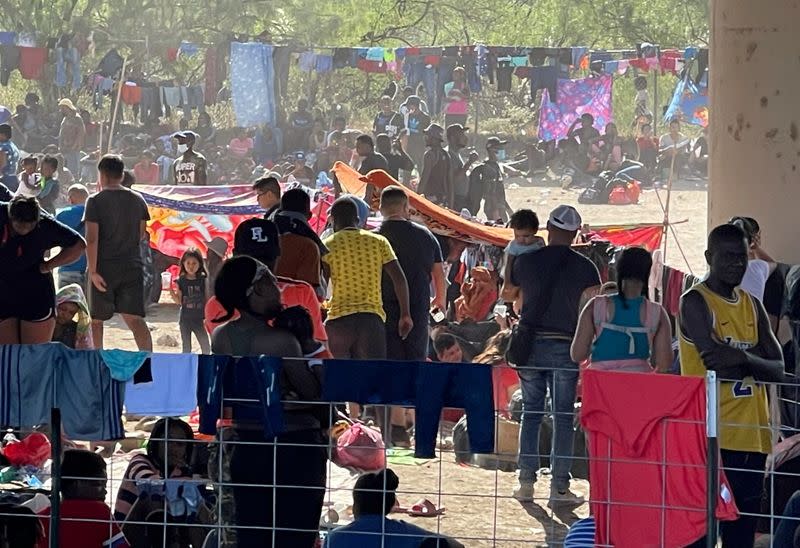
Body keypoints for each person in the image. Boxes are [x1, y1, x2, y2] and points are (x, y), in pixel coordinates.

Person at [211, 256, 327, 548]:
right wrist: (310, 344)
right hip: (294, 447)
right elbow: (314, 394)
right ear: (255, 291)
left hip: (247, 444)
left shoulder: (220, 336)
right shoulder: (282, 342)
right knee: (295, 535)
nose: (278, 289)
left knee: (253, 534)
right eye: (270, 282)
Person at [681, 223, 784, 548]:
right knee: (701, 532)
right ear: (709, 257)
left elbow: (779, 368)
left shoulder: (752, 305)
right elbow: (714, 361)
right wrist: (754, 358)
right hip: (711, 436)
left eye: (741, 258)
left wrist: (742, 359)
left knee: (741, 534)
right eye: (727, 258)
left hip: (753, 437)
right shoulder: (696, 301)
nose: (735, 265)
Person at [510, 205, 600, 505]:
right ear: (576, 234)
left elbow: (509, 294)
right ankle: (559, 489)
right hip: (566, 346)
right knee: (563, 417)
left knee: (531, 415)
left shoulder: (526, 261)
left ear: (547, 228)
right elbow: (592, 309)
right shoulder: (587, 268)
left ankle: (525, 483)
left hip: (530, 344)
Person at [323, 197, 412, 362]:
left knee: (337, 378)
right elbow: (399, 279)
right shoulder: (378, 242)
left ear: (333, 220)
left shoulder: (328, 244)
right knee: (373, 380)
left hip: (338, 322)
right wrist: (405, 314)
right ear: (358, 220)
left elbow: (322, 285)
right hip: (371, 322)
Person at [85, 154, 152, 351]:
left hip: (103, 267)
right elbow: (141, 234)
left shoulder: (94, 201)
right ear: (122, 175)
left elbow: (91, 239)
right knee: (135, 320)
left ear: (102, 176)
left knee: (96, 321)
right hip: (132, 266)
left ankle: (98, 362)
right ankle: (147, 363)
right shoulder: (138, 200)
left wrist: (93, 271)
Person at [571, 247, 673, 372]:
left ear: (618, 270)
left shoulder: (595, 306)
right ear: (648, 273)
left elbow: (577, 355)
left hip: (600, 384)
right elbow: (664, 364)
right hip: (638, 384)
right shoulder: (657, 313)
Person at [0, 196, 85, 345]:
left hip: (35, 292)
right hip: (3, 290)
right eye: (19, 226)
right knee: (8, 354)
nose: (24, 230)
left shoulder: (45, 225)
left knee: (35, 354)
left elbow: (78, 245)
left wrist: (48, 266)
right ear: (10, 217)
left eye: (29, 226)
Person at [323, 469, 463, 548]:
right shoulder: (406, 532)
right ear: (390, 506)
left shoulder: (335, 538)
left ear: (355, 505)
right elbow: (456, 546)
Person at [39, 450, 129, 548]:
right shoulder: (99, 511)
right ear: (76, 484)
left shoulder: (40, 518)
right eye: (98, 484)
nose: (104, 492)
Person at [114, 418, 196, 522]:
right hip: (130, 530)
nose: (173, 448)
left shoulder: (182, 471)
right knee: (152, 494)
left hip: (168, 530)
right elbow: (148, 482)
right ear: (157, 443)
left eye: (180, 444)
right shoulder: (139, 461)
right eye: (168, 441)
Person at [273, 188, 325, 292]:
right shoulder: (309, 245)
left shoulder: (264, 237)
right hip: (296, 304)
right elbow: (313, 291)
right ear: (309, 216)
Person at [500, 209, 545, 303]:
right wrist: (507, 282)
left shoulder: (539, 242)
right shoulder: (514, 246)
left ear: (535, 231)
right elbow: (508, 264)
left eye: (526, 236)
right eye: (517, 235)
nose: (521, 240)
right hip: (517, 279)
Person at [171, 248, 211, 354]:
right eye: (188, 263)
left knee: (205, 346)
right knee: (186, 348)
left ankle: (204, 366)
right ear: (183, 264)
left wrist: (207, 316)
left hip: (199, 319)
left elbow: (207, 298)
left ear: (199, 264)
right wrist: (170, 289)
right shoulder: (181, 281)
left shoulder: (203, 280)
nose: (191, 266)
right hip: (185, 319)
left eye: (194, 263)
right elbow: (179, 301)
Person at [730, 216, 777, 303]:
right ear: (755, 238)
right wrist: (756, 247)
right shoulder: (756, 267)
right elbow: (773, 264)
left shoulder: (712, 273)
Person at [56, 183, 90, 289]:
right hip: (89, 271)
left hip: (67, 268)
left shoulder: (62, 215)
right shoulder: (96, 214)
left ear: (70, 199)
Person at [468, 136, 509, 221]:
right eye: (499, 148)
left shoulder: (496, 165)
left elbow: (499, 190)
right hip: (494, 208)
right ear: (491, 149)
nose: (502, 150)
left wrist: (507, 208)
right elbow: (489, 193)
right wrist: (496, 214)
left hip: (500, 205)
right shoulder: (487, 168)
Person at [417, 124, 452, 207]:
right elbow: (450, 182)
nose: (425, 138)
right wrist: (450, 203)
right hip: (442, 198)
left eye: (428, 135)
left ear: (434, 138)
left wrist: (417, 197)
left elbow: (424, 179)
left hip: (430, 198)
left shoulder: (429, 155)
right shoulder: (446, 155)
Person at [446, 124, 479, 212]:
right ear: (452, 138)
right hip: (456, 199)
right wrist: (469, 162)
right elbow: (454, 179)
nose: (465, 138)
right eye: (461, 135)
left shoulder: (456, 153)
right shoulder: (449, 155)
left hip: (461, 198)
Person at [53, 283, 94, 349]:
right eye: (63, 309)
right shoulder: (44, 324)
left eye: (71, 313)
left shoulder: (75, 330)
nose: (65, 315)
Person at [356, 134, 389, 204]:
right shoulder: (369, 159)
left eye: (359, 146)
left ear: (367, 146)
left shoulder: (375, 159)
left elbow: (364, 179)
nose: (356, 149)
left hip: (376, 198)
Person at [57, 98, 85, 177]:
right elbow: (61, 133)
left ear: (67, 107)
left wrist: (74, 147)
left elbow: (80, 134)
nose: (61, 110)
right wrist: (60, 146)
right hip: (64, 148)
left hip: (73, 149)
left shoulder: (77, 119)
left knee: (73, 170)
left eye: (62, 108)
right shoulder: (65, 119)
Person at [402, 95, 431, 172]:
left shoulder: (425, 117)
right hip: (410, 145)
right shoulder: (407, 116)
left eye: (409, 105)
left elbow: (427, 134)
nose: (408, 108)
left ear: (415, 105)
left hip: (420, 146)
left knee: (421, 168)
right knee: (407, 169)